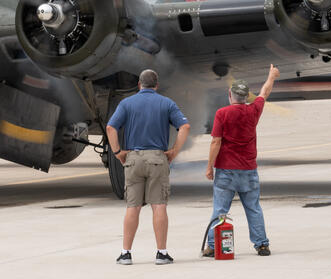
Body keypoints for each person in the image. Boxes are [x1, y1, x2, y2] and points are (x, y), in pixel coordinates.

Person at [106, 69, 191, 265]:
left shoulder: (127, 103)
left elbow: (111, 128)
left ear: (139, 85)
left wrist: (118, 152)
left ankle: (126, 253)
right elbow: (184, 127)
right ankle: (161, 253)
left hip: (133, 158)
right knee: (159, 205)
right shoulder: (166, 103)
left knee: (132, 207)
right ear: (156, 85)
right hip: (157, 158)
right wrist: (174, 151)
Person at [204, 64, 279, 257]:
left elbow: (215, 141)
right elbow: (265, 92)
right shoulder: (254, 111)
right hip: (248, 169)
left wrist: (209, 166)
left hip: (226, 170)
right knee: (253, 208)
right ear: (247, 96)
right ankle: (262, 244)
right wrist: (271, 76)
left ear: (230, 94)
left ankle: (213, 245)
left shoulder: (222, 113)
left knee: (220, 210)